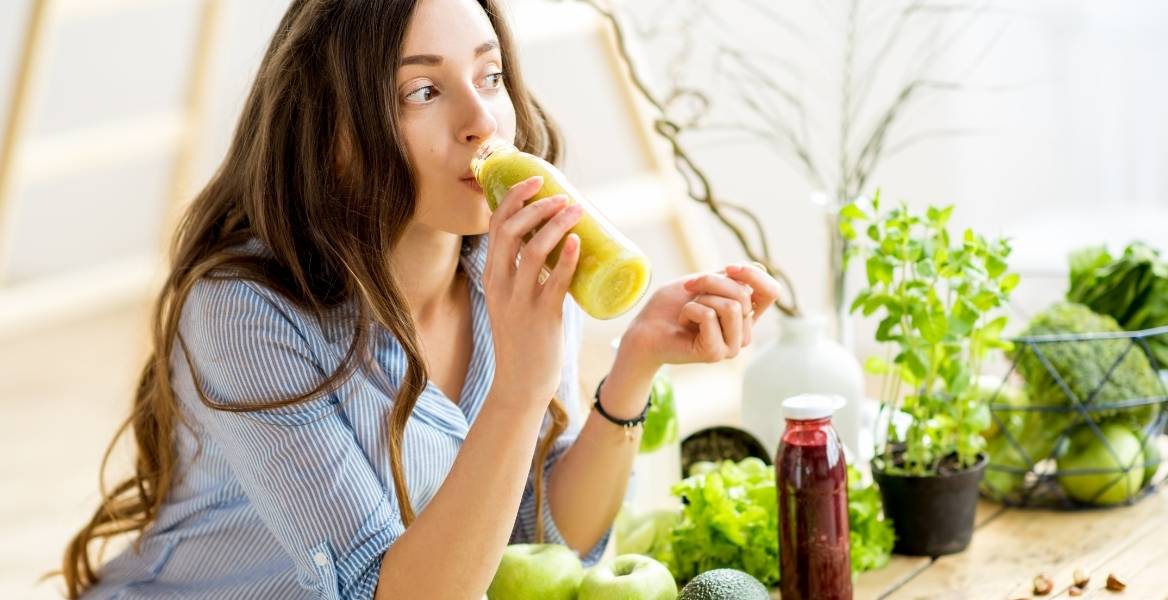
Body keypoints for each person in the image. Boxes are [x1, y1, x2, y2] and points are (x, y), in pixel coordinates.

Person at [59, 0, 778, 598]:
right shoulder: (242, 313)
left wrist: (634, 364)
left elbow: (529, 541)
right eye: (424, 92)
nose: (483, 122)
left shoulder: (509, 268)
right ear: (337, 132)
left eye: (490, 76)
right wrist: (520, 389)